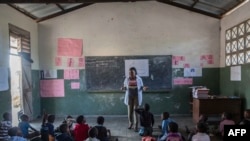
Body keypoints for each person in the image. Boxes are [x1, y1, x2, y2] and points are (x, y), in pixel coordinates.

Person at [121, 67, 147, 132]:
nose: (131, 74)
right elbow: (125, 87)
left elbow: (141, 87)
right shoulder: (127, 79)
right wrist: (123, 88)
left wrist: (144, 88)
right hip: (129, 96)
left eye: (132, 72)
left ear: (135, 73)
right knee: (130, 112)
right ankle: (130, 123)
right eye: (129, 72)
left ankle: (136, 126)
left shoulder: (139, 79)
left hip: (136, 96)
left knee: (136, 111)